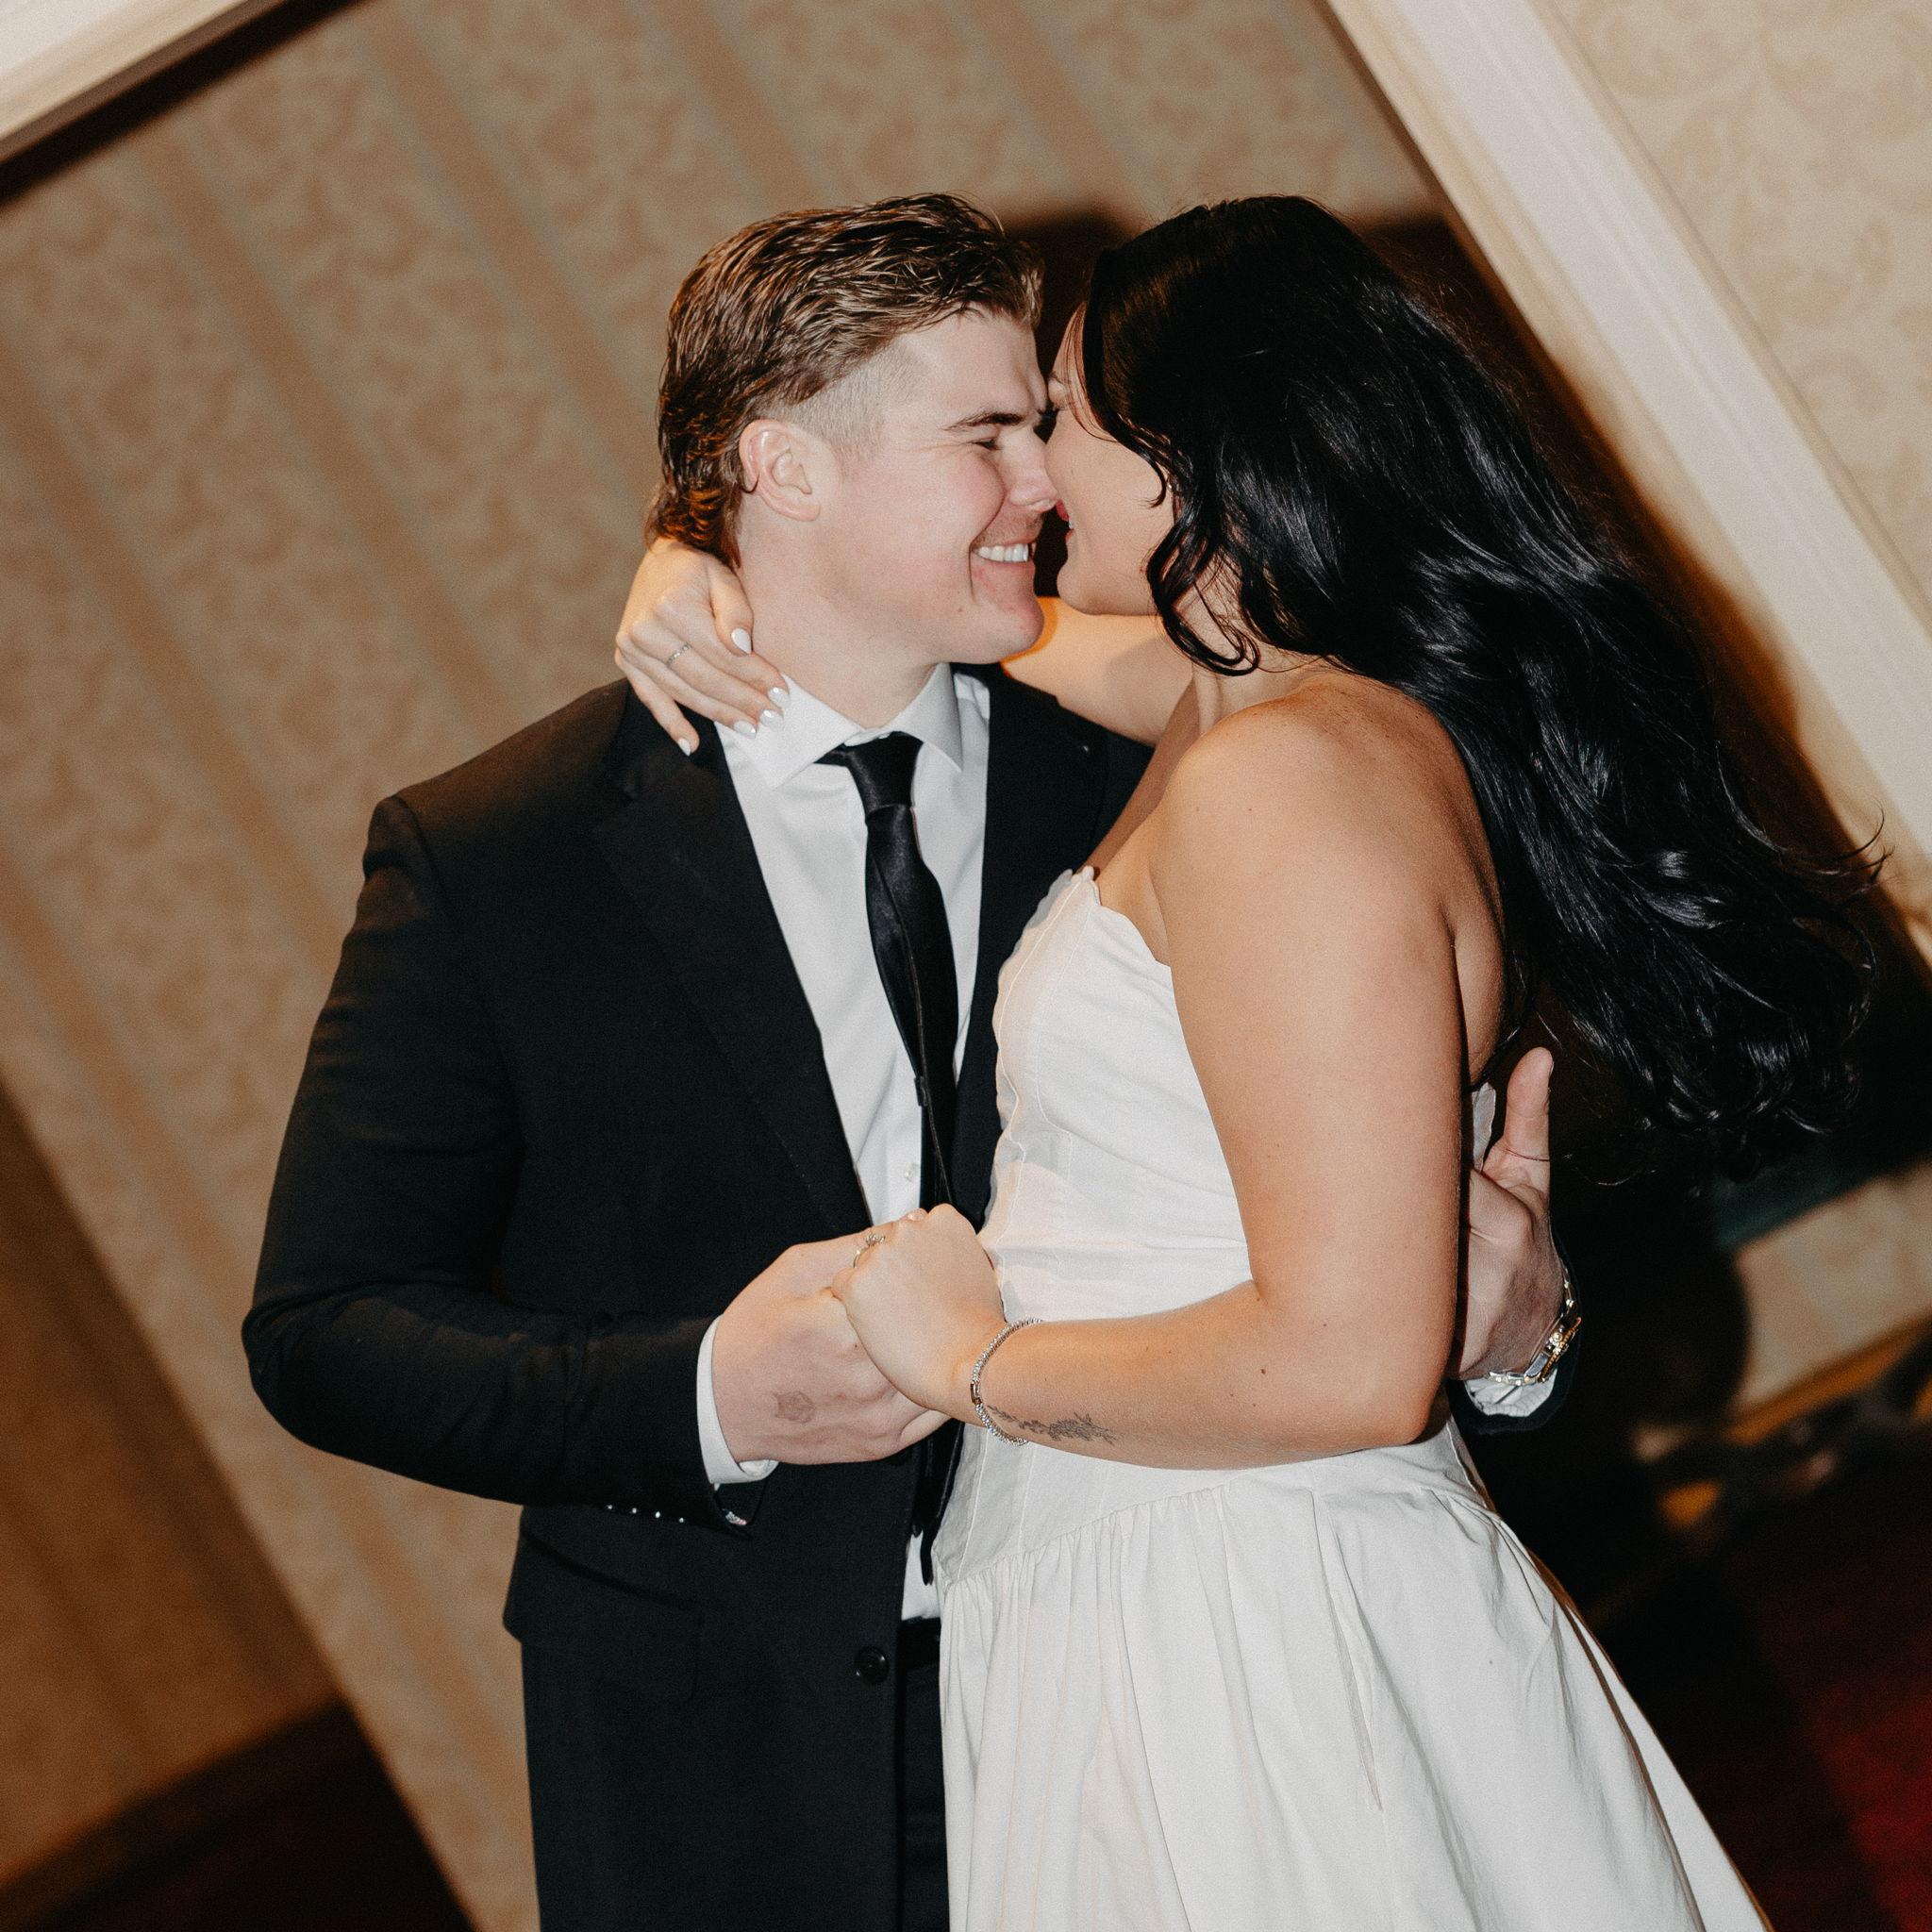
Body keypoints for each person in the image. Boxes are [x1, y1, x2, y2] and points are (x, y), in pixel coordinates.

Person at [246, 196, 1571, 1932]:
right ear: (787, 469)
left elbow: (1360, 1208)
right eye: (988, 435)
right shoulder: (502, 856)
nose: (1046, 483)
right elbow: (323, 1329)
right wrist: (706, 1396)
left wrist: (1522, 1317)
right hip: (727, 1757)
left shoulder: (1164, 763)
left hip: (1167, 1676)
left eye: (1046, 426)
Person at [614, 197, 1872, 1929]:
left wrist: (973, 1363)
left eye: (1057, 420)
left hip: (1243, 1610)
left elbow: (1348, 1364)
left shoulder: (1284, 777)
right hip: (1157, 1575)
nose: (1029, 477)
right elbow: (988, 628)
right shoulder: (1235, 701)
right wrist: (702, 556)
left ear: (1189, 456)